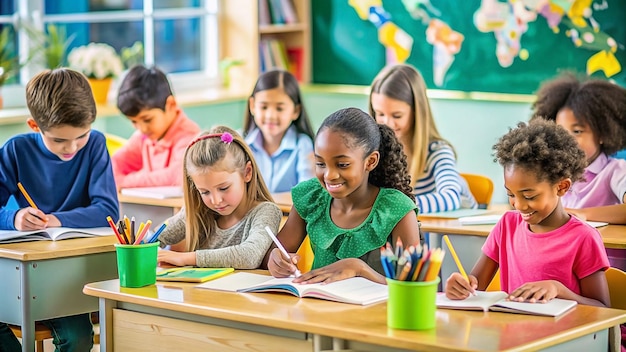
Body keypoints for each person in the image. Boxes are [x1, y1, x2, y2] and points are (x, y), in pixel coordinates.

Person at [0, 68, 120, 351]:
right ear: (34, 125)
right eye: (59, 140)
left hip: (70, 275)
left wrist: (55, 219)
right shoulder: (16, 150)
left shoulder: (96, 146)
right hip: (23, 270)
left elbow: (108, 210)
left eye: (82, 136)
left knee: (77, 336)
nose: (72, 148)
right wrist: (13, 217)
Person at [445, 120, 610, 308]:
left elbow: (602, 309)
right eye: (510, 194)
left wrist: (558, 289)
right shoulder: (507, 225)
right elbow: (476, 284)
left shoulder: (583, 238)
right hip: (516, 333)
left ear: (562, 187)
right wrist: (461, 287)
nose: (519, 206)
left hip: (565, 336)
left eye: (529, 196)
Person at [264, 107, 421, 284]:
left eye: (342, 164)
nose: (329, 175)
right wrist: (275, 259)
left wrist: (358, 269)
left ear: (370, 161)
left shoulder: (396, 209)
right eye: (320, 163)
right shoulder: (312, 197)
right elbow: (275, 254)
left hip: (377, 311)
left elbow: (413, 286)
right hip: (318, 306)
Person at [157, 126, 282, 268]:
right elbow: (157, 237)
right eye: (205, 192)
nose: (216, 200)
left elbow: (250, 256)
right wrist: (142, 246)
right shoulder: (198, 210)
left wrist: (187, 258)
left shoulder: (266, 212)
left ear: (247, 172)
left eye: (224, 188)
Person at [369, 64, 477, 213]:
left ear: (416, 112)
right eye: (380, 114)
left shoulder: (437, 152)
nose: (387, 123)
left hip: (449, 235)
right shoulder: (376, 153)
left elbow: (451, 197)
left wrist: (394, 206)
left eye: (397, 115)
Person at [112, 65, 201, 189]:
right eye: (134, 121)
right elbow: (115, 163)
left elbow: (177, 175)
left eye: (147, 120)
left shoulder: (190, 137)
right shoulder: (144, 136)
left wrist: (123, 182)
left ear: (170, 104)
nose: (141, 128)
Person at [243, 69, 315, 193]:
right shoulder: (240, 142)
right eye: (264, 107)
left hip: (289, 212)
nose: (271, 115)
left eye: (280, 108)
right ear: (252, 106)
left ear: (296, 111)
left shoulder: (302, 144)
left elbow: (306, 194)